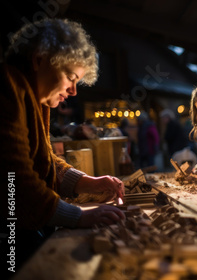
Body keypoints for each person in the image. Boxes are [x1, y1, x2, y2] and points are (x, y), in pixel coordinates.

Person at [0, 19, 125, 270]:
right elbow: (15, 180)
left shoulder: (36, 99)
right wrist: (78, 216)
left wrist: (86, 181)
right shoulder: (7, 85)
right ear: (39, 59)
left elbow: (43, 160)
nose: (74, 91)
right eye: (71, 77)